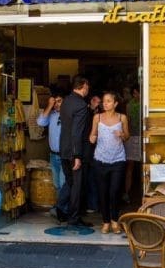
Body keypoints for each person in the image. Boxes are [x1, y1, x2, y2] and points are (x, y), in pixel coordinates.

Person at [89, 91, 129, 234]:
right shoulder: (97, 117)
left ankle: (114, 220)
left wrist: (122, 135)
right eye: (104, 101)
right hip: (100, 159)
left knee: (114, 192)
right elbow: (92, 134)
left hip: (118, 159)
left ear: (115, 103)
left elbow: (127, 136)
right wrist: (92, 138)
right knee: (103, 192)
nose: (105, 104)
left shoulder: (122, 117)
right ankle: (105, 221)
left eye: (108, 101)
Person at [56, 75, 92, 227]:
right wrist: (77, 155)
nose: (88, 89)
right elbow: (77, 132)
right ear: (83, 85)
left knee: (70, 183)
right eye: (87, 86)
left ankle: (60, 208)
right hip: (74, 152)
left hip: (63, 149)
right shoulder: (81, 105)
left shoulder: (65, 102)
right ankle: (74, 218)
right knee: (76, 185)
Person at [36, 91, 65, 194]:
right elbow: (40, 122)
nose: (56, 104)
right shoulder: (51, 114)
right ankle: (59, 208)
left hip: (65, 155)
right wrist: (49, 105)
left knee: (63, 183)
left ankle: (64, 209)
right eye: (54, 102)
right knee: (56, 184)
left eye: (59, 101)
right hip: (53, 155)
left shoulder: (69, 115)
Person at [123, 83, 141, 204]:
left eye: (136, 93)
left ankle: (130, 193)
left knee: (134, 167)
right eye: (134, 93)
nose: (135, 96)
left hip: (136, 136)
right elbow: (128, 121)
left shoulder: (132, 105)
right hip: (134, 136)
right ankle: (127, 192)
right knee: (130, 166)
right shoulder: (130, 105)